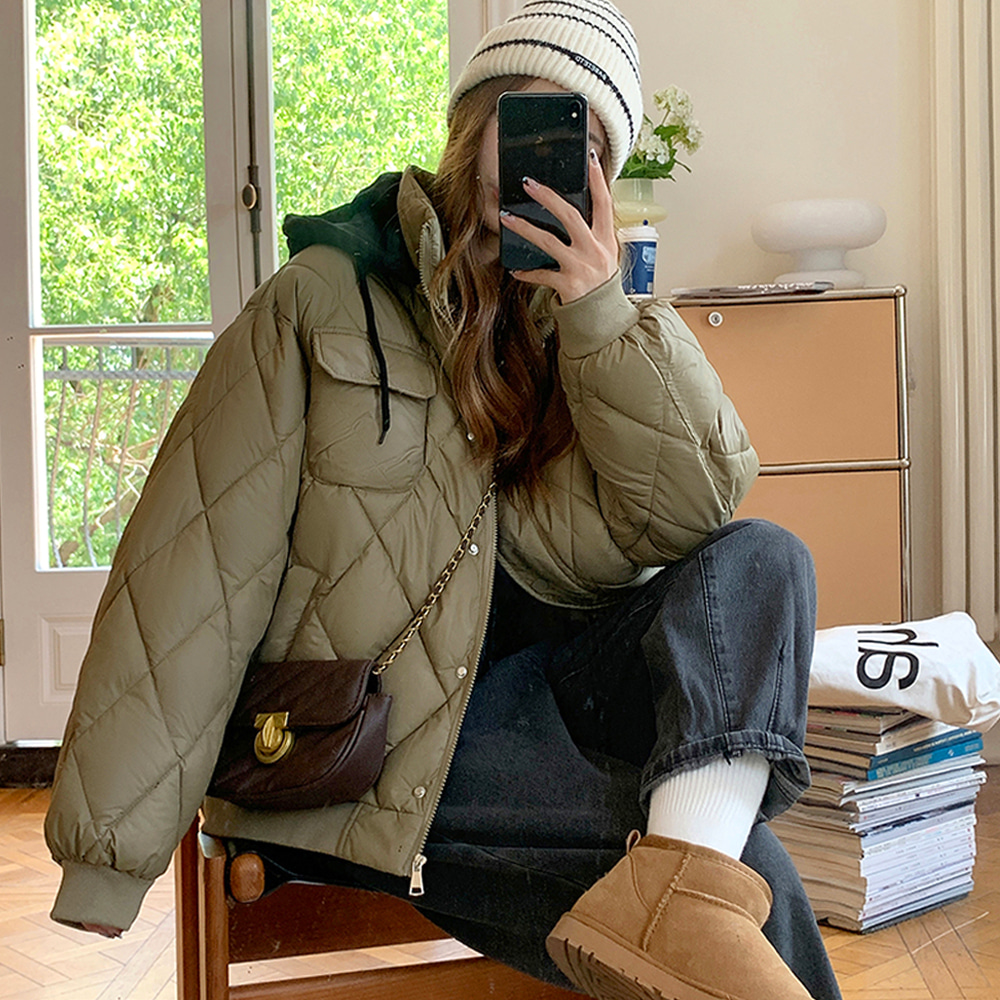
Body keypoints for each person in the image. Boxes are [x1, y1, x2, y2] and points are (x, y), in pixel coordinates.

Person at [44, 3, 842, 998]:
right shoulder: (322, 299)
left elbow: (691, 514)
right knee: (750, 879)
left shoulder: (589, 326)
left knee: (767, 554)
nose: (546, 163)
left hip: (547, 707)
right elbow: (196, 565)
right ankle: (684, 897)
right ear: (472, 126)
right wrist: (109, 853)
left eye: (585, 145)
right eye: (526, 121)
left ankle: (680, 895)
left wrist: (600, 314)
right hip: (364, 736)